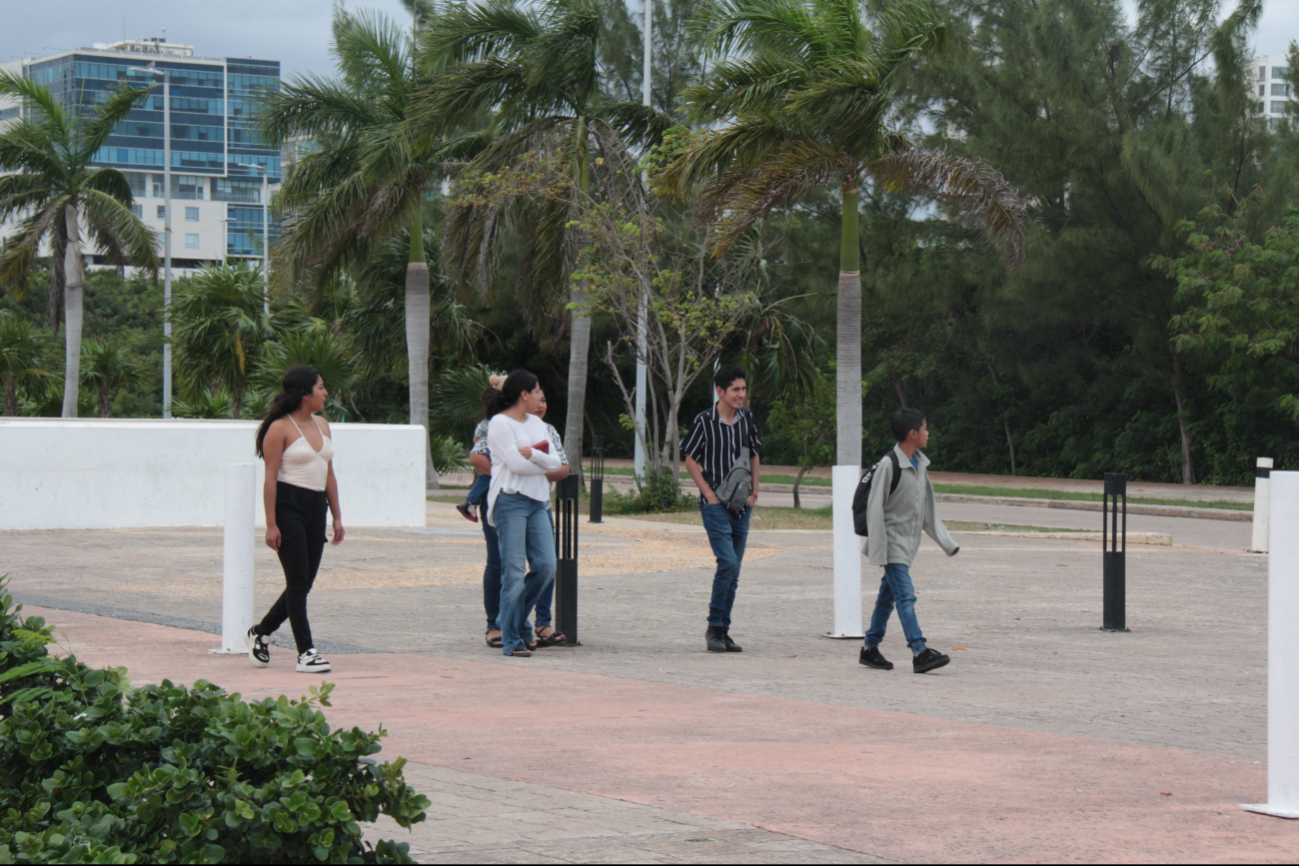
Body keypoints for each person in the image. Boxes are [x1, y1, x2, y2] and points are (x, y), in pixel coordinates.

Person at [246, 365, 344, 673]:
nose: (325, 393)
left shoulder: (323, 425)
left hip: (317, 506)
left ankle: (260, 632)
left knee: (303, 582)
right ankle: (306, 652)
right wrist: (271, 523)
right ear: (305, 394)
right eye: (321, 388)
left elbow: (329, 474)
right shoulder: (279, 428)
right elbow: (270, 478)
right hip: (288, 505)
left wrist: (337, 516)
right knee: (298, 581)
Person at [859, 408, 959, 674]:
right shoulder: (888, 464)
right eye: (925, 429)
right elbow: (874, 509)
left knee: (886, 599)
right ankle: (919, 650)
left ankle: (870, 648)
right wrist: (879, 550)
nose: (928, 433)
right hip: (891, 545)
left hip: (907, 545)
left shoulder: (919, 465)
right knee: (905, 596)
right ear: (912, 434)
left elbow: (928, 511)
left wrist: (947, 542)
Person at [682, 365, 762, 653]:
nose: (741, 394)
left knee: (735, 570)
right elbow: (691, 459)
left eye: (743, 389)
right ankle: (714, 627)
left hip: (742, 504)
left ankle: (724, 630)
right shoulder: (704, 421)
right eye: (735, 390)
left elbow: (754, 455)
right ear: (720, 392)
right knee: (727, 563)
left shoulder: (747, 420)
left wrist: (754, 492)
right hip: (715, 504)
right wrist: (708, 495)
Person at [486, 370, 562, 657]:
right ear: (523, 394)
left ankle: (514, 623)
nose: (541, 396)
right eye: (537, 390)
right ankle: (512, 640)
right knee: (514, 572)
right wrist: (541, 463)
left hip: (538, 501)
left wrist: (537, 456)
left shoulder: (537, 425)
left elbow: (554, 462)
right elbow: (517, 465)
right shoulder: (500, 423)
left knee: (546, 566)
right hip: (510, 501)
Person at [457, 374, 506, 524]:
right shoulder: (500, 421)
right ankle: (470, 501)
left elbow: (475, 439)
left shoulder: (486, 421)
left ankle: (470, 502)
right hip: (496, 454)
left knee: (487, 475)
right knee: (490, 474)